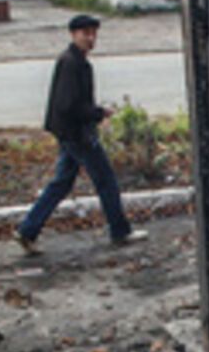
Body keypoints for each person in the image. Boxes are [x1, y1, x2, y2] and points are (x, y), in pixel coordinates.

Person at [15, 14, 147, 255]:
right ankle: (120, 231)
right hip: (77, 135)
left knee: (62, 183)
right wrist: (98, 113)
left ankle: (27, 230)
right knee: (106, 180)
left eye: (94, 33)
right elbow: (68, 105)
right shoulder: (73, 63)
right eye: (85, 33)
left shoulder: (75, 61)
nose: (91, 38)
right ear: (73, 34)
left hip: (69, 133)